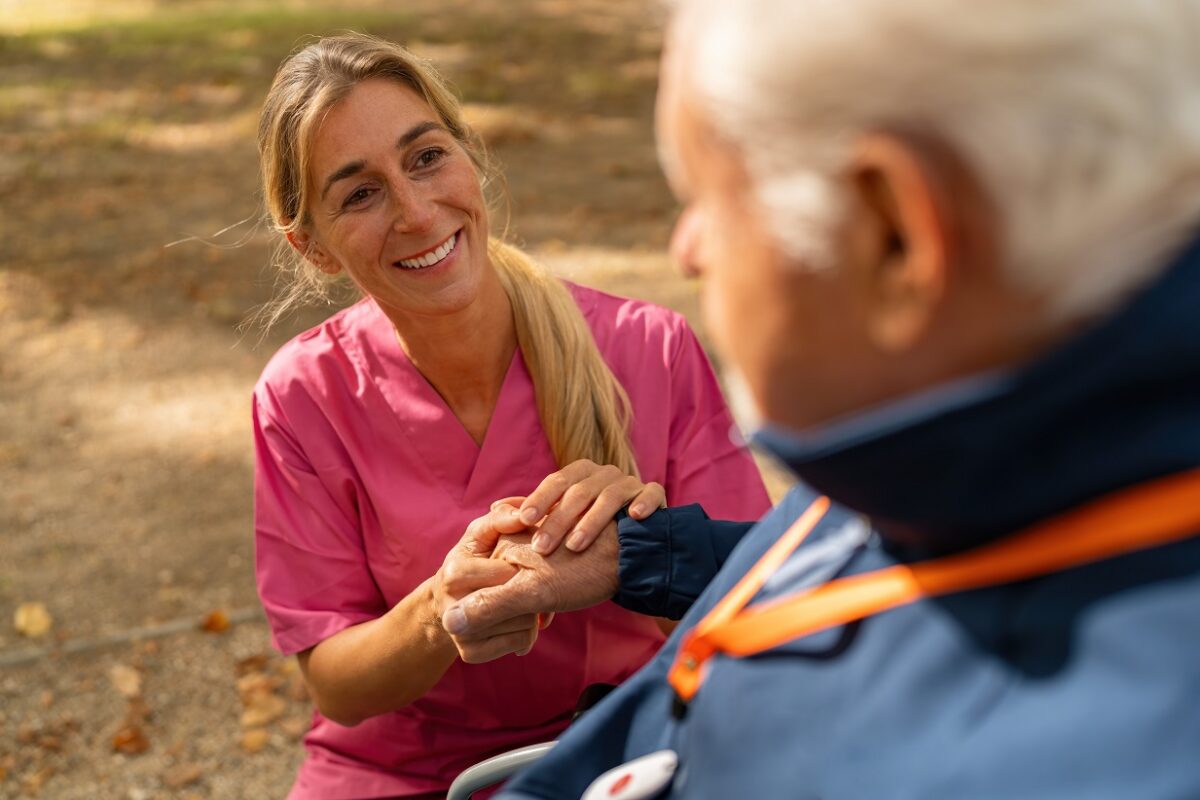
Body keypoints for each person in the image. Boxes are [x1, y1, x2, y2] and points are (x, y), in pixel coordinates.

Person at [441, 1, 1200, 797]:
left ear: (896, 235)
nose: (686, 250)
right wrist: (636, 555)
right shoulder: (961, 420)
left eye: (708, 197)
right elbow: (877, 570)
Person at [250, 33, 771, 799]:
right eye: (360, 193)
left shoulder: (649, 348)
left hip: (630, 744)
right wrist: (439, 610)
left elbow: (759, 618)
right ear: (313, 246)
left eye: (426, 157)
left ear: (468, 153)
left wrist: (639, 549)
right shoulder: (302, 396)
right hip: (401, 774)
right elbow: (336, 683)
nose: (416, 210)